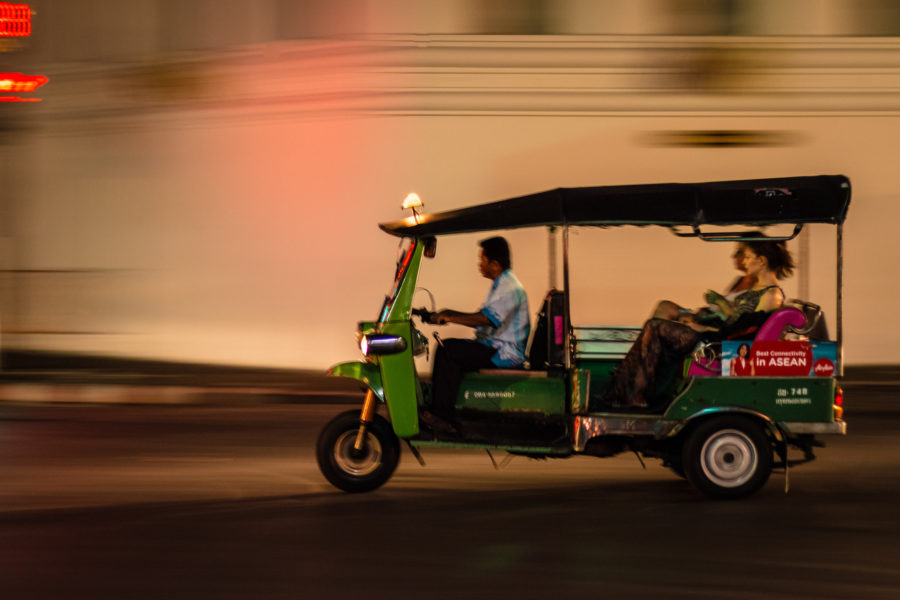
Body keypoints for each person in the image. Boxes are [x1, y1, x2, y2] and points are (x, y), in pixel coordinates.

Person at [602, 239, 794, 410]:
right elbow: (736, 321)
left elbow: (743, 331)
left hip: (719, 343)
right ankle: (631, 390)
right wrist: (705, 319)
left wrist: (705, 328)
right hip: (716, 335)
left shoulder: (771, 295)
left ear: (761, 261)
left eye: (748, 257)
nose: (744, 261)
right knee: (656, 327)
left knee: (655, 327)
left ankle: (633, 393)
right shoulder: (758, 289)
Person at [422, 236, 530, 434]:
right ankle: (439, 409)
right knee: (448, 347)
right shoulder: (501, 285)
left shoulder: (510, 289)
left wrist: (450, 317)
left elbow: (484, 319)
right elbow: (481, 315)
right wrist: (447, 313)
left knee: (448, 351)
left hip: (503, 353)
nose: (479, 264)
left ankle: (443, 417)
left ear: (495, 264)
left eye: (482, 260)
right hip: (494, 346)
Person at [653, 240, 755, 322]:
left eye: (739, 252)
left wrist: (720, 301)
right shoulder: (739, 280)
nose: (734, 256)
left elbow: (738, 316)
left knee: (660, 321)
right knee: (665, 306)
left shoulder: (757, 286)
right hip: (707, 314)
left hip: (714, 322)